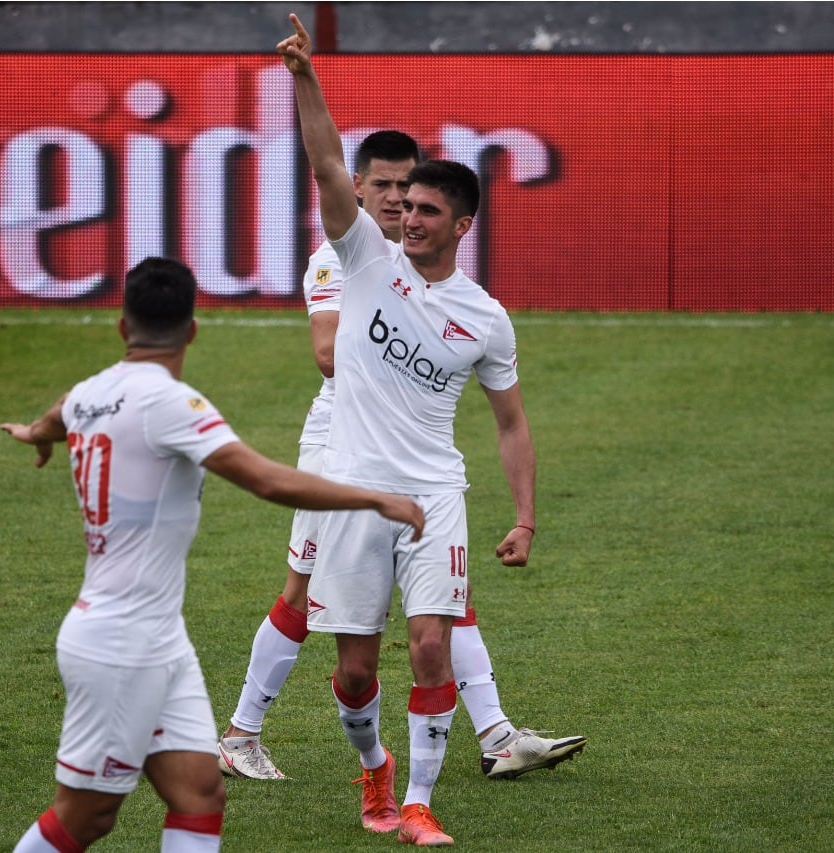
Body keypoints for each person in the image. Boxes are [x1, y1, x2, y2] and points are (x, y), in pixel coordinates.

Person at [276, 13, 585, 846]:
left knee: (427, 650)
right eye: (404, 205)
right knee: (354, 672)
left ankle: (416, 802)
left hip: (434, 495)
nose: (407, 218)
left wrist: (525, 517)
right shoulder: (363, 260)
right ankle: (373, 766)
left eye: (424, 210)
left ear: (461, 225)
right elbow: (327, 165)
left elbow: (511, 421)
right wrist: (305, 78)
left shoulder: (485, 318)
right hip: (352, 489)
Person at [2, 256, 426, 853]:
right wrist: (375, 497)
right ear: (193, 330)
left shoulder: (91, 393)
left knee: (200, 794)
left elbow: (58, 414)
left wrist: (35, 433)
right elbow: (268, 482)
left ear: (123, 327)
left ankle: (238, 738)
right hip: (121, 641)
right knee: (86, 817)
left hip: (156, 637)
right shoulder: (172, 405)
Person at [218, 129, 421, 781]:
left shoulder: (420, 256)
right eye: (382, 184)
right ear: (356, 185)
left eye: (406, 184)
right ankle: (241, 733)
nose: (396, 197)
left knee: (442, 591)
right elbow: (328, 355)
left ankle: (498, 732)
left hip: (403, 444)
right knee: (302, 591)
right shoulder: (338, 256)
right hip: (341, 445)